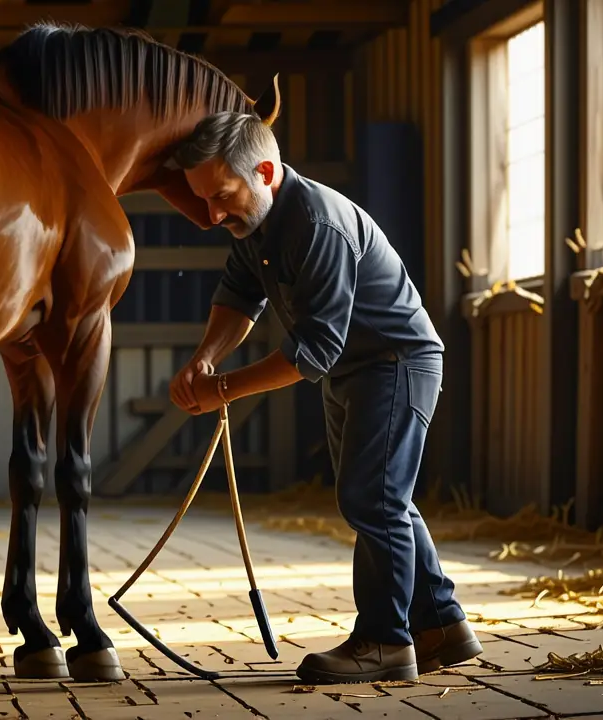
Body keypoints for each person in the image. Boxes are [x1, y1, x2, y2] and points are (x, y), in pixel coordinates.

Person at [165, 111, 483, 684]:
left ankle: (386, 643)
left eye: (221, 197)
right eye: (203, 201)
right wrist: (204, 359)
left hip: (394, 361)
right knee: (384, 497)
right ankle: (443, 625)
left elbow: (313, 352)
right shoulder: (255, 223)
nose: (212, 216)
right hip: (357, 370)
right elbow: (239, 295)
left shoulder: (316, 223)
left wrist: (224, 390)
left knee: (372, 499)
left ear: (263, 170)